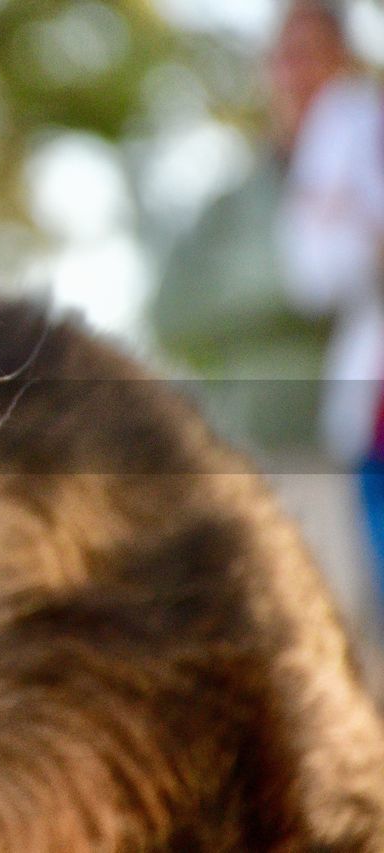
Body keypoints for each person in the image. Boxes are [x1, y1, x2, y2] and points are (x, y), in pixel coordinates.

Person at [274, 0, 384, 616]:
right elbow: (313, 272)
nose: (296, 73)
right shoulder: (337, 130)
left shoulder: (349, 122)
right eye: (286, 57)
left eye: (309, 54)